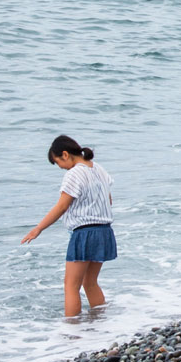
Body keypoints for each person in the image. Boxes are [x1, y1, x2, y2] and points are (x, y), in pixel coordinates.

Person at [20, 135, 116, 317]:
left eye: (58, 163)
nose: (60, 168)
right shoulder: (99, 169)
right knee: (91, 282)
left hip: (84, 233)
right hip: (104, 231)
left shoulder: (73, 174)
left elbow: (62, 206)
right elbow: (108, 200)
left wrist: (38, 228)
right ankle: (101, 324)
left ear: (65, 154)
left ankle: (72, 331)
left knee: (71, 286)